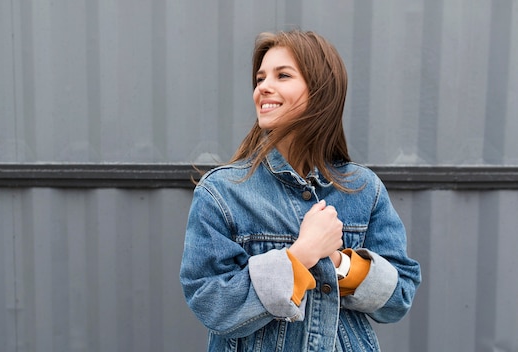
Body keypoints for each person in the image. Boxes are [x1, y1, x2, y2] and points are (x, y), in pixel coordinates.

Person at [179, 29, 421, 351]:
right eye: (261, 77)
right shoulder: (222, 193)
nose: (263, 87)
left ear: (321, 90)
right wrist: (300, 256)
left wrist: (338, 263)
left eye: (283, 75)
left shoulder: (363, 190)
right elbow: (209, 300)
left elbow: (399, 297)